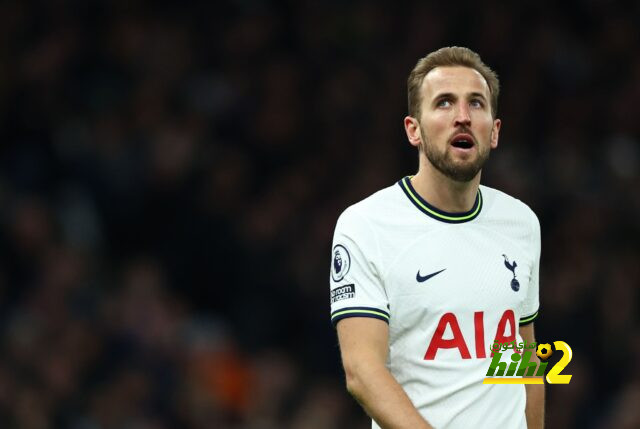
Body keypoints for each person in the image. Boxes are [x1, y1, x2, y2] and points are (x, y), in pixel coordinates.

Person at [329, 47, 544, 429]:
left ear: (494, 131)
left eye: (476, 104)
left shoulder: (521, 222)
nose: (462, 117)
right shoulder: (366, 226)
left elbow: (521, 352)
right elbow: (362, 371)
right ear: (414, 129)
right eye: (444, 103)